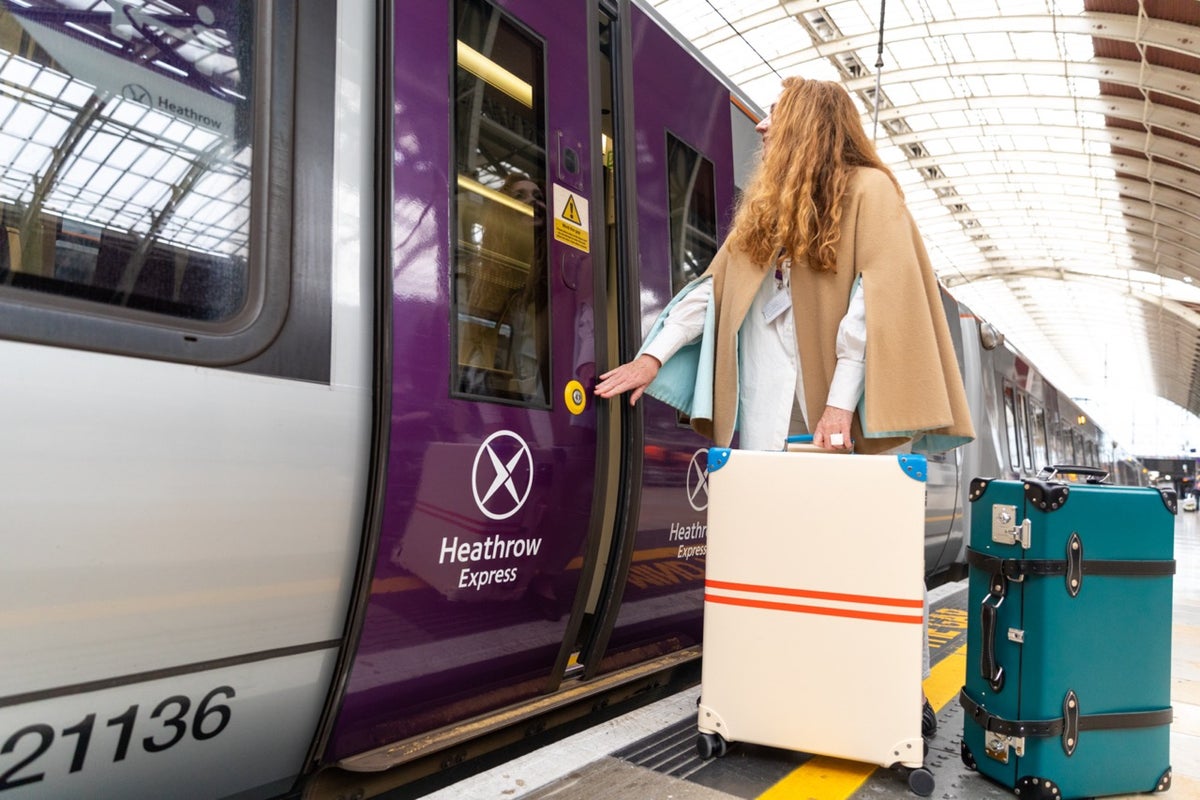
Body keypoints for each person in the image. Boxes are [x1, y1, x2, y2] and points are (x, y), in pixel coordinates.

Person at [594, 76, 975, 736]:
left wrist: (837, 408)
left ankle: (895, 693)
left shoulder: (872, 192)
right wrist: (653, 355)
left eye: (774, 115)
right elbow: (713, 291)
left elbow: (871, 305)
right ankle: (759, 691)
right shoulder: (769, 210)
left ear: (809, 121)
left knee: (874, 555)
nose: (764, 128)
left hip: (844, 419)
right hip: (768, 420)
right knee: (764, 555)